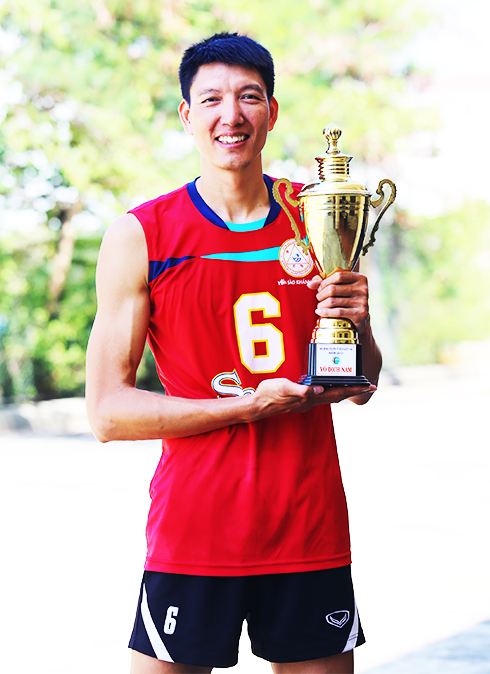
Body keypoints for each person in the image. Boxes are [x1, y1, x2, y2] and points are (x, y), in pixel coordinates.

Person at [86, 32, 382, 674]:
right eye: (212, 98)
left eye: (250, 97)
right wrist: (248, 407)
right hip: (194, 532)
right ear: (187, 116)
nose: (233, 115)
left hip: (308, 525)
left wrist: (358, 330)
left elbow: (362, 383)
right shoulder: (143, 234)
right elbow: (108, 413)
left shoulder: (318, 213)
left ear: (272, 113)